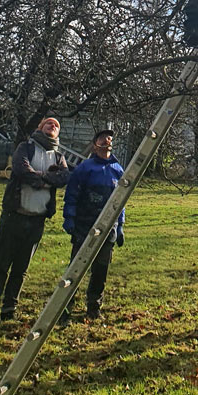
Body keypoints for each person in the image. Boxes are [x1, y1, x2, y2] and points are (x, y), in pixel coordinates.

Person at [0, 117, 70, 324]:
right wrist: (47, 179)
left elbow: (64, 178)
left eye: (56, 125)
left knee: (21, 269)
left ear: (58, 133)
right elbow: (21, 170)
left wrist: (40, 179)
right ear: (40, 127)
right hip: (15, 216)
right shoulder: (26, 147)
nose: (53, 126)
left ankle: (9, 309)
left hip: (37, 220)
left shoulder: (58, 155)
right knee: (2, 265)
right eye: (49, 123)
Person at [61, 129, 125, 322]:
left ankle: (94, 307)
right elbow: (72, 194)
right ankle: (64, 307)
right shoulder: (85, 168)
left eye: (110, 138)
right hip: (84, 225)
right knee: (76, 267)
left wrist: (120, 225)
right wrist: (69, 217)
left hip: (109, 229)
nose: (107, 140)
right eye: (102, 138)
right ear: (95, 143)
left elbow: (121, 201)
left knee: (100, 269)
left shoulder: (118, 169)